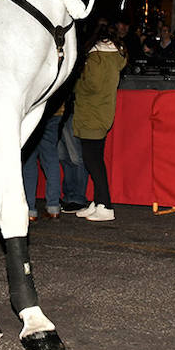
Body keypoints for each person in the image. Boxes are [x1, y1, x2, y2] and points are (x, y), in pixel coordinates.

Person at [71, 28, 127, 222]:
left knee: (93, 161)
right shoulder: (114, 57)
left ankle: (106, 206)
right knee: (95, 159)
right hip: (102, 112)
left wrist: (76, 83)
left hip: (91, 113)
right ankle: (98, 201)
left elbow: (91, 84)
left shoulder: (96, 57)